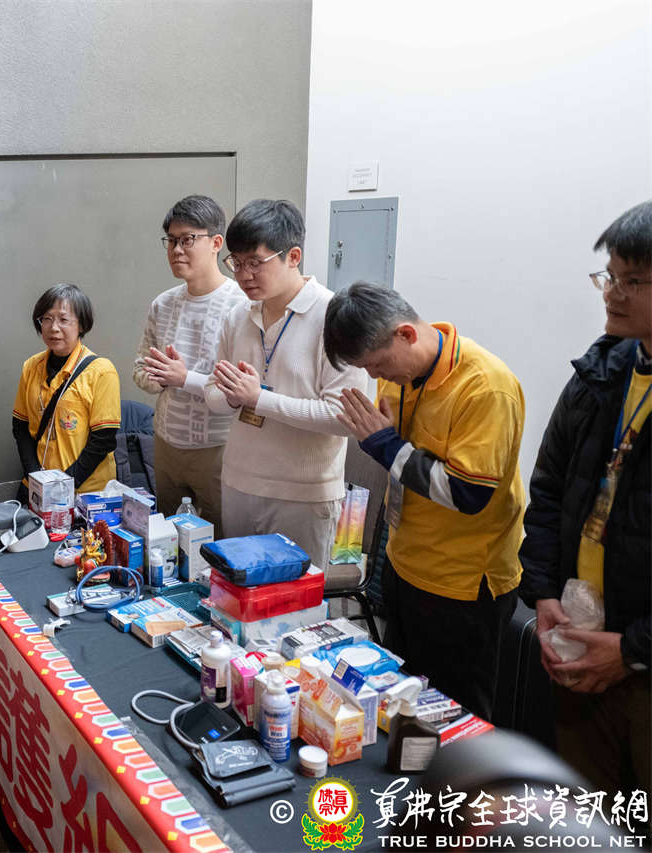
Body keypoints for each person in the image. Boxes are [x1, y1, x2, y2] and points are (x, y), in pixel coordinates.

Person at [326, 282, 526, 719]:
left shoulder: (484, 386)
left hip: (461, 585)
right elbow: (403, 462)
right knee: (403, 705)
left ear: (406, 334)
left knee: (456, 718)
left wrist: (385, 446)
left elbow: (468, 493)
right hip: (403, 566)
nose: (376, 377)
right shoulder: (400, 376)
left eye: (377, 364)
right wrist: (385, 446)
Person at [519, 200, 651, 795]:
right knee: (586, 809)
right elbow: (548, 488)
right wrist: (544, 593)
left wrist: (631, 650)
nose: (613, 294)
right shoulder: (602, 370)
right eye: (610, 276)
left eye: (633, 281)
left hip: (638, 656)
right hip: (580, 633)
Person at [202, 200, 371, 567]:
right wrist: (232, 398)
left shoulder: (334, 317)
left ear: (293, 256)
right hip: (238, 483)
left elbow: (344, 417)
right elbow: (213, 394)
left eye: (255, 263)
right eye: (236, 263)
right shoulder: (237, 316)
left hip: (303, 496)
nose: (244, 275)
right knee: (239, 592)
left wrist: (258, 399)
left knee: (297, 597)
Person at [134, 195, 244, 530]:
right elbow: (140, 369)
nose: (177, 250)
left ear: (216, 243)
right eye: (171, 240)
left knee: (219, 540)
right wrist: (158, 377)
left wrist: (183, 377)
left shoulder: (241, 306)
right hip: (166, 442)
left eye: (188, 240)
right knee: (167, 538)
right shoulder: (163, 303)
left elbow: (240, 390)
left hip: (218, 446)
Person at [13, 283, 122, 496]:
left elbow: (103, 440)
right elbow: (20, 426)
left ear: (81, 324)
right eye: (46, 319)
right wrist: (35, 477)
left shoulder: (101, 371)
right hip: (39, 488)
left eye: (63, 320)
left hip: (86, 492)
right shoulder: (31, 367)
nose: (54, 328)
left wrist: (63, 486)